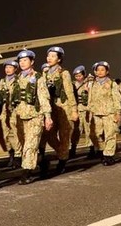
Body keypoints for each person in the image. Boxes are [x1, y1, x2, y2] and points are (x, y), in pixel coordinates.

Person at [12, 50, 53, 184]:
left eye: (25, 60)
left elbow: (43, 97)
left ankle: (26, 173)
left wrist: (47, 116)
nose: (22, 63)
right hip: (21, 117)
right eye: (20, 61)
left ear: (32, 62)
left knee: (30, 146)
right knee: (26, 146)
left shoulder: (39, 78)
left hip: (35, 116)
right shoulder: (17, 79)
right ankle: (42, 161)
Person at [41, 46, 78, 174]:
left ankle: (62, 162)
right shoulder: (44, 74)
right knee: (48, 135)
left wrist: (74, 110)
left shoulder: (64, 73)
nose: (49, 58)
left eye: (53, 56)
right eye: (48, 56)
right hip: (51, 109)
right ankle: (63, 153)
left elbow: (69, 92)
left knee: (64, 136)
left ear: (59, 59)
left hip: (64, 107)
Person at [85, 61, 121, 165]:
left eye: (103, 70)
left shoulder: (112, 83)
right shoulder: (92, 84)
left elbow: (116, 99)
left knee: (110, 134)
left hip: (109, 112)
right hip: (96, 113)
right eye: (98, 70)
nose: (100, 72)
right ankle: (102, 150)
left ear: (107, 71)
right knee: (94, 135)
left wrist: (118, 112)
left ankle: (108, 155)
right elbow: (90, 98)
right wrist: (88, 111)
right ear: (95, 72)